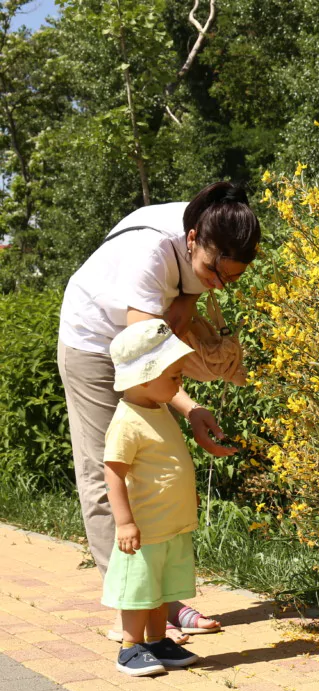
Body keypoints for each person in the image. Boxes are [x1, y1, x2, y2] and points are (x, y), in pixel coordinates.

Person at [58, 182, 259, 642]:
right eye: (213, 271)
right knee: (106, 471)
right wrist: (190, 409)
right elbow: (145, 367)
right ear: (192, 240)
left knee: (157, 469)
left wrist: (189, 298)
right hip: (92, 341)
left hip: (142, 347)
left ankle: (161, 602)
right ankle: (133, 610)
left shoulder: (213, 232)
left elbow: (177, 308)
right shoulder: (151, 253)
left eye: (230, 279)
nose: (219, 285)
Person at [103, 321, 205, 676]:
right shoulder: (127, 421)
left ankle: (158, 640)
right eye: (174, 376)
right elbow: (113, 472)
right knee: (140, 589)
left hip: (171, 524)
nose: (180, 383)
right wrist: (125, 522)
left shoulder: (157, 407)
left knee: (162, 589)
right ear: (144, 377)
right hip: (145, 528)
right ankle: (130, 647)